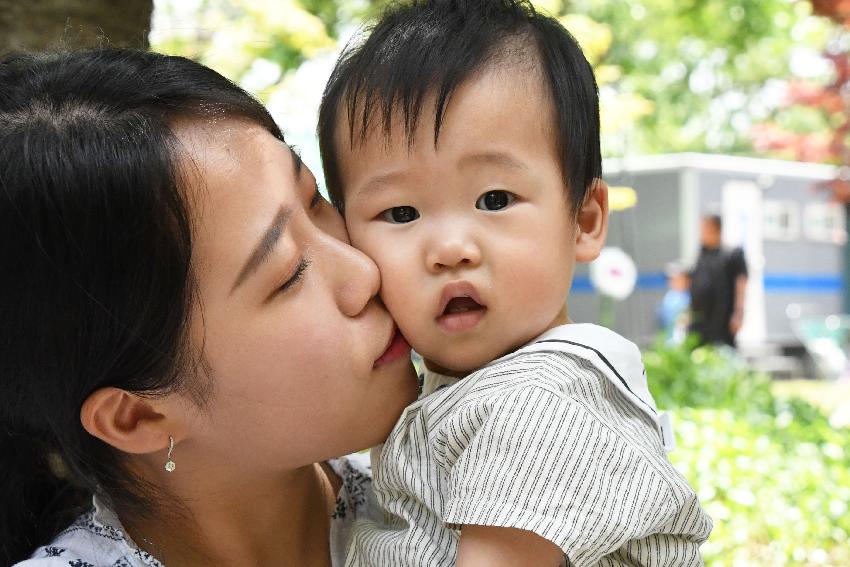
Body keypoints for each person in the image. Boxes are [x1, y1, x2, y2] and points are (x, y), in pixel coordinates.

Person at [317, 0, 712, 565]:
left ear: (584, 219)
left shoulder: (538, 403)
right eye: (401, 213)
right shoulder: (463, 390)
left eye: (494, 200)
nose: (450, 249)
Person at [1, 48, 418, 567]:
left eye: (316, 201)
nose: (364, 271)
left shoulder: (479, 501)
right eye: (288, 274)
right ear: (136, 415)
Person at [688, 214, 748, 347]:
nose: (701, 233)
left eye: (704, 228)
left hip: (722, 318)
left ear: (716, 228)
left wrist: (738, 314)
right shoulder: (701, 254)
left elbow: (741, 283)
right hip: (699, 319)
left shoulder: (732, 254)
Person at [658, 262, 691, 344]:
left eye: (678, 279)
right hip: (669, 342)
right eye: (671, 279)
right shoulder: (668, 298)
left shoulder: (691, 296)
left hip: (688, 341)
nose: (674, 282)